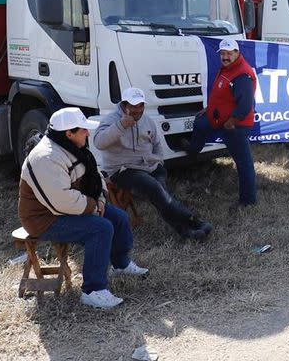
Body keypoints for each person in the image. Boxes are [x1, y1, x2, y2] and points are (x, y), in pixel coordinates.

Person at [18, 107, 147, 309]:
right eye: (83, 130)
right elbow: (61, 201)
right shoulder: (46, 158)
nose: (88, 133)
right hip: (44, 219)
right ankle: (93, 290)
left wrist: (101, 200)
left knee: (119, 218)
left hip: (67, 208)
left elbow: (96, 176)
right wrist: (94, 207)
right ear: (69, 133)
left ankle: (120, 264)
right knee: (101, 228)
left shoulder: (71, 145)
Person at [93, 87, 213, 240]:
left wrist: (159, 162)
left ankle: (187, 231)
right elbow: (99, 142)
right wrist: (121, 125)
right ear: (124, 105)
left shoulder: (147, 120)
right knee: (157, 190)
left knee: (160, 194)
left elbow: (157, 144)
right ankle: (193, 222)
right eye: (133, 106)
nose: (138, 110)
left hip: (150, 166)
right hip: (123, 170)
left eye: (141, 105)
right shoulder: (111, 120)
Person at [186, 39, 257, 208]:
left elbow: (245, 106)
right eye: (223, 54)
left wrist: (232, 122)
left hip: (235, 125)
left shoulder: (242, 75)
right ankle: (192, 151)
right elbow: (222, 94)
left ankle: (248, 201)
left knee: (244, 163)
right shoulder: (228, 68)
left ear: (237, 53)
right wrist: (209, 108)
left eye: (229, 53)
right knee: (200, 124)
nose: (225, 57)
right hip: (217, 117)